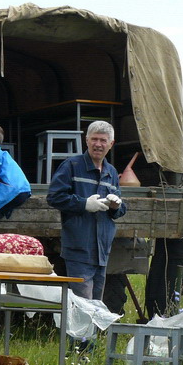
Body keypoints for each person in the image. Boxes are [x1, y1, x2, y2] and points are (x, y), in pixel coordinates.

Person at [46, 120, 126, 303]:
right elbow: (54, 197)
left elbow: (118, 209)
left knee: (96, 302)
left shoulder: (111, 172)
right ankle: (79, 333)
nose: (98, 144)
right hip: (79, 246)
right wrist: (83, 204)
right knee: (83, 303)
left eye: (103, 140)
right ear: (86, 140)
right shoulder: (72, 166)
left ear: (111, 144)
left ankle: (91, 333)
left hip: (102, 250)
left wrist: (117, 206)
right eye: (94, 139)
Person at [144, 163, 183, 319]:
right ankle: (156, 319)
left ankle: (165, 323)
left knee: (168, 292)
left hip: (179, 250)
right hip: (166, 247)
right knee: (155, 288)